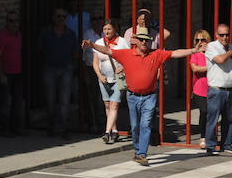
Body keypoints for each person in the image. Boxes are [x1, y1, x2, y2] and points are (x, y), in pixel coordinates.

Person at [84, 27, 200, 166]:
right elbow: (108, 51)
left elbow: (175, 53)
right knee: (135, 126)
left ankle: (142, 153)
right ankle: (138, 151)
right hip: (132, 97)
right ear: (136, 41)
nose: (144, 42)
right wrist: (92, 46)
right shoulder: (127, 54)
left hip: (150, 97)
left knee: (145, 125)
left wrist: (193, 50)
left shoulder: (156, 54)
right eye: (142, 39)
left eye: (147, 40)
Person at [39, 8, 78, 138]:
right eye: (58, 16)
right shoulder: (46, 33)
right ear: (53, 18)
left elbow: (75, 52)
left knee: (64, 100)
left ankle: (61, 127)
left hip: (66, 69)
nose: (60, 19)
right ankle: (51, 126)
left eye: (63, 17)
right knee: (50, 99)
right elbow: (39, 49)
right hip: (49, 68)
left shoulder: (70, 34)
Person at [205, 24, 232, 155]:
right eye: (222, 35)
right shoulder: (211, 47)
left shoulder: (231, 47)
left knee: (229, 119)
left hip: (230, 88)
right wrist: (231, 53)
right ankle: (210, 146)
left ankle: (226, 144)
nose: (225, 37)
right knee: (213, 119)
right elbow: (220, 60)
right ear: (216, 35)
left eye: (227, 34)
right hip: (216, 89)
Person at [93, 19, 129, 144]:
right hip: (103, 79)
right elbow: (95, 62)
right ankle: (114, 131)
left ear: (115, 29)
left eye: (109, 29)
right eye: (105, 29)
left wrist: (122, 68)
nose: (106, 31)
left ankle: (107, 132)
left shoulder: (122, 42)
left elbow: (129, 59)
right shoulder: (99, 42)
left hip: (117, 79)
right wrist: (99, 75)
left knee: (114, 105)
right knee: (107, 105)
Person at [0, 10, 23, 137]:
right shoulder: (2, 36)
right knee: (5, 102)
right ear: (7, 22)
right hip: (6, 74)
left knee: (17, 102)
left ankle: (15, 127)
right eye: (11, 21)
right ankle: (3, 129)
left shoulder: (19, 35)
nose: (14, 23)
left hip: (17, 73)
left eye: (16, 21)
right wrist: (1, 75)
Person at [81, 13, 105, 133]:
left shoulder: (106, 33)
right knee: (93, 98)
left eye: (100, 18)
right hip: (91, 69)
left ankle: (105, 123)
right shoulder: (88, 34)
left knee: (105, 98)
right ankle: (94, 123)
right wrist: (85, 74)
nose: (97, 21)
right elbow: (83, 57)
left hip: (105, 69)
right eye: (94, 19)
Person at [189, 29, 210, 148]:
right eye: (198, 40)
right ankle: (203, 137)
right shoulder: (195, 55)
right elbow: (195, 69)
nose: (200, 42)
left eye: (203, 40)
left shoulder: (212, 53)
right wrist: (211, 66)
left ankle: (209, 136)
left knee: (212, 114)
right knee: (204, 111)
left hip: (212, 87)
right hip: (199, 89)